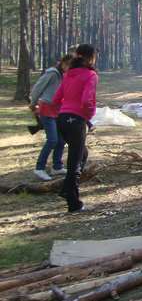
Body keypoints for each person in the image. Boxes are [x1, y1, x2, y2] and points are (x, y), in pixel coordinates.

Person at [52, 44, 98, 213]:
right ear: (91, 57)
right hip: (76, 120)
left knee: (82, 153)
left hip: (62, 119)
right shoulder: (91, 75)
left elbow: (56, 99)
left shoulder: (68, 74)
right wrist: (88, 115)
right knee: (75, 162)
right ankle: (73, 202)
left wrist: (64, 112)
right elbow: (87, 100)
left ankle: (66, 188)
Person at [29, 54, 71, 181]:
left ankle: (57, 167)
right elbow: (38, 88)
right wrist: (33, 103)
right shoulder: (52, 73)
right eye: (68, 65)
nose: (69, 68)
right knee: (52, 140)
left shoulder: (64, 75)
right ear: (63, 63)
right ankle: (39, 168)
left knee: (61, 140)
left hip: (58, 110)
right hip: (46, 109)